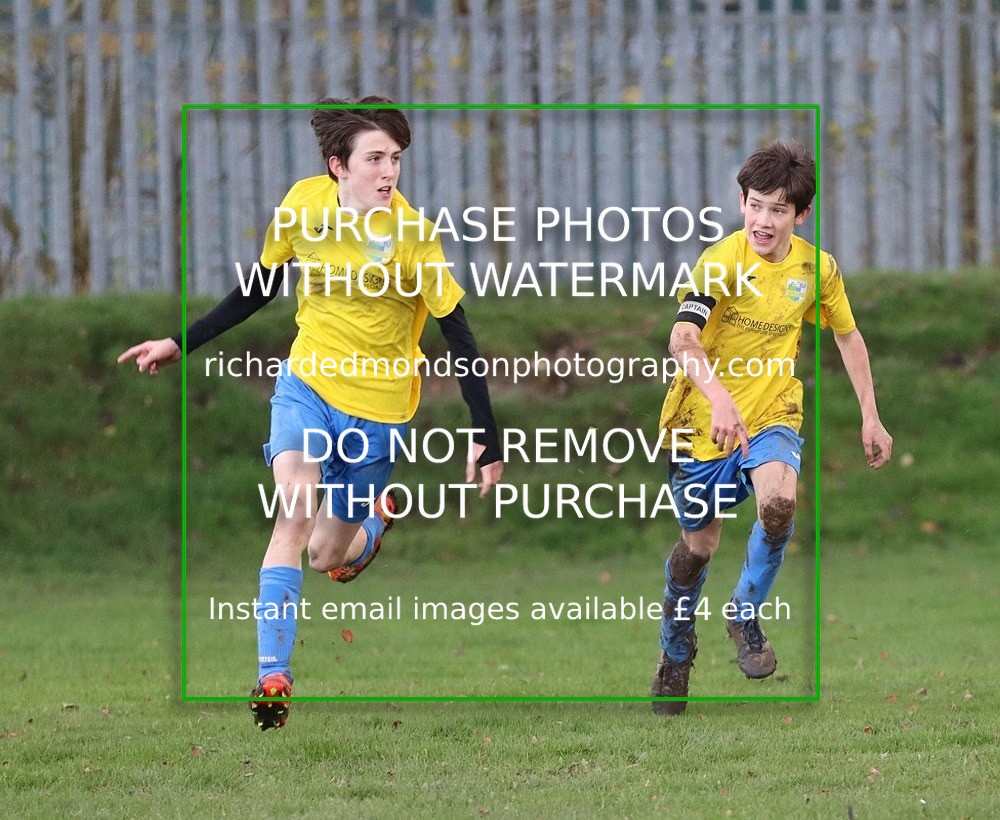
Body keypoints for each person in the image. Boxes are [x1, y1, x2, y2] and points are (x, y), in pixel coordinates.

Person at [119, 96, 504, 730]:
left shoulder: (412, 238)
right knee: (293, 510)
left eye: (396, 159)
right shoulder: (302, 206)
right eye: (374, 159)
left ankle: (370, 529)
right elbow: (259, 288)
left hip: (377, 413)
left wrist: (485, 435)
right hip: (306, 387)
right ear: (337, 166)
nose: (388, 172)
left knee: (328, 557)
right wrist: (177, 342)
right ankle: (274, 675)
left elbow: (457, 334)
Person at [650, 140, 892, 715]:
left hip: (773, 415)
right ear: (742, 203)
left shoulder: (817, 270)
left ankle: (743, 612)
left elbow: (848, 336)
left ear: (799, 215)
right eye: (756, 206)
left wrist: (870, 414)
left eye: (778, 210)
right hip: (697, 424)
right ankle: (675, 651)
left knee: (779, 504)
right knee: (697, 548)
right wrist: (718, 398)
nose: (764, 220)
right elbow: (682, 340)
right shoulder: (721, 262)